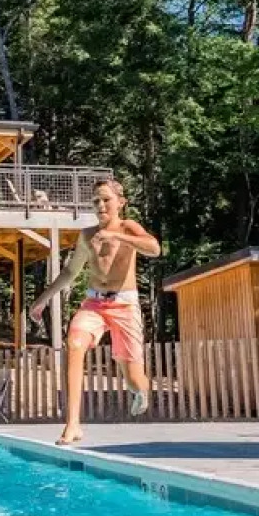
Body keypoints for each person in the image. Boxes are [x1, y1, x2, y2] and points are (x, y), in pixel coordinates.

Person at [28, 178, 161, 446]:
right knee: (74, 343)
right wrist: (42, 299)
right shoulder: (87, 235)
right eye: (96, 201)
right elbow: (70, 272)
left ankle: (140, 392)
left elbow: (154, 249)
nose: (100, 205)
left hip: (125, 305)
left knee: (134, 378)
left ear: (120, 203)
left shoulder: (128, 226)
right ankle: (73, 424)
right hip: (94, 303)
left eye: (106, 200)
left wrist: (116, 235)